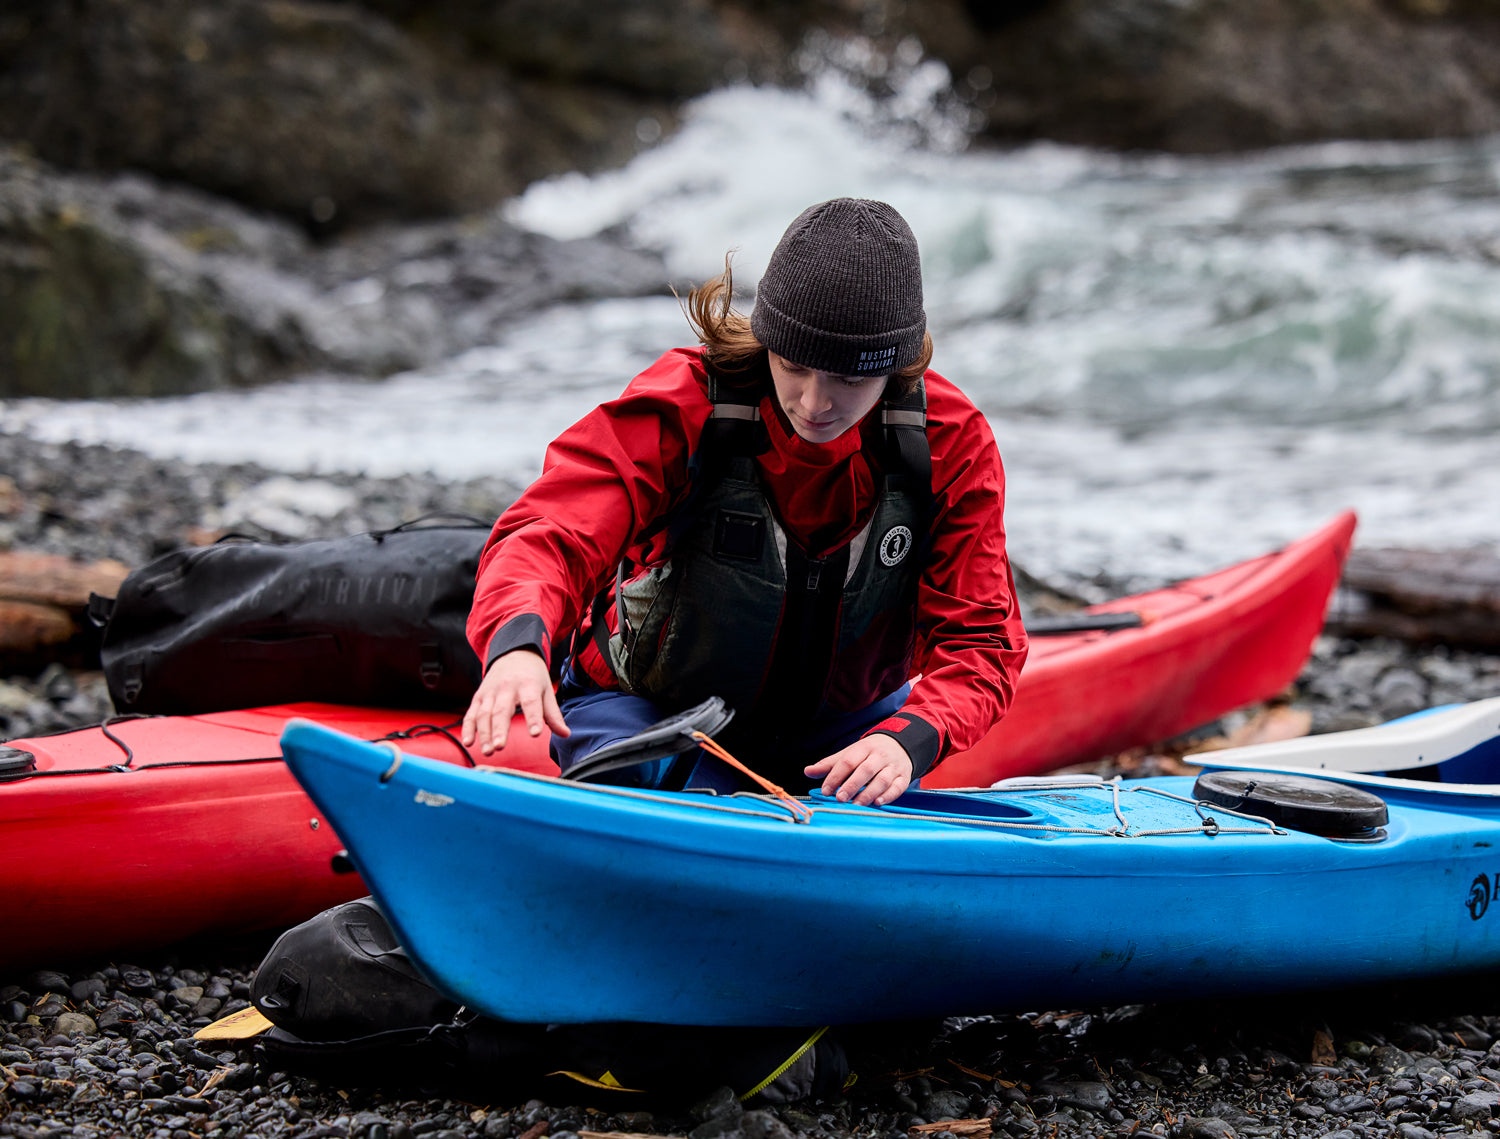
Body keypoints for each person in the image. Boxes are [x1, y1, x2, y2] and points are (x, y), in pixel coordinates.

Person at [461, 198, 1027, 806]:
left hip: (844, 737)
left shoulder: (948, 440)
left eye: (850, 380)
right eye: (794, 366)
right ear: (766, 342)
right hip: (649, 714)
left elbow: (982, 641)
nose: (814, 404)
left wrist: (911, 738)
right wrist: (517, 644)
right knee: (672, 788)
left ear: (896, 369)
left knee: (862, 800)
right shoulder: (686, 407)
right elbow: (552, 531)